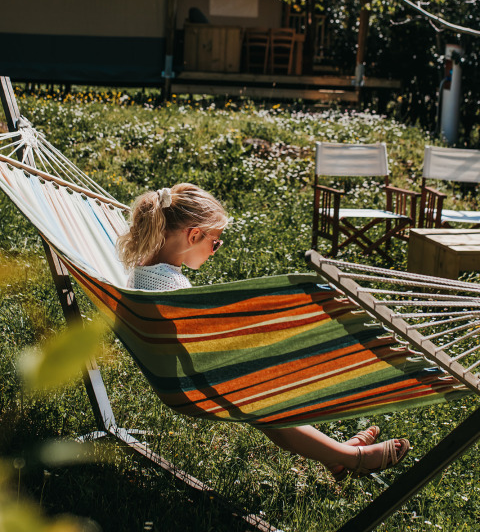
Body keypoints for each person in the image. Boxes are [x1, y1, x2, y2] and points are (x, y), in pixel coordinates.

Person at [117, 183, 410, 480]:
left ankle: (336, 457)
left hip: (179, 376)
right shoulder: (171, 289)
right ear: (194, 235)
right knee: (263, 398)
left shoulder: (143, 269)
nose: (215, 251)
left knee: (262, 401)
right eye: (215, 243)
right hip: (190, 384)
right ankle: (352, 457)